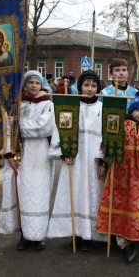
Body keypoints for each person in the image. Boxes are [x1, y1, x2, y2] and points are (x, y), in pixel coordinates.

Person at [0, 70, 59, 251]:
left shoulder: (47, 103)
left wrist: (17, 125)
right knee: (21, 194)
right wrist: (8, 154)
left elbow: (44, 127)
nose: (33, 86)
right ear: (25, 84)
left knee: (38, 194)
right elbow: (7, 130)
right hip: (20, 154)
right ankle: (24, 234)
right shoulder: (17, 103)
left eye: (37, 83)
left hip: (39, 154)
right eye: (30, 82)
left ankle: (38, 236)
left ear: (41, 85)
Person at [47, 70, 107, 251]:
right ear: (80, 86)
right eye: (86, 85)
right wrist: (64, 153)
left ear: (98, 88)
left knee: (91, 195)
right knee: (74, 194)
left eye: (93, 85)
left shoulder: (103, 109)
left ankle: (90, 235)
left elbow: (108, 138)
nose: (89, 89)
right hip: (75, 159)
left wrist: (104, 161)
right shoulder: (71, 109)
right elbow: (60, 130)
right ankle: (75, 232)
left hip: (94, 162)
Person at [96, 91, 139, 263]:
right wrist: (103, 163)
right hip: (118, 174)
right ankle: (122, 241)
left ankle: (132, 239)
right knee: (119, 205)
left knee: (135, 206)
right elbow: (107, 145)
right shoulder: (121, 126)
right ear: (131, 111)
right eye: (137, 110)